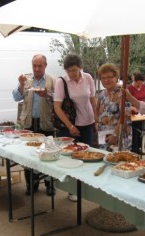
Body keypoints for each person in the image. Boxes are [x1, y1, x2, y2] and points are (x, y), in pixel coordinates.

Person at [53, 53, 97, 201]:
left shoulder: (88, 78)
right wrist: (70, 126)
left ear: (80, 68)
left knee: (88, 156)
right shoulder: (61, 82)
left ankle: (85, 186)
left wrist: (96, 120)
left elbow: (92, 99)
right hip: (70, 125)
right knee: (72, 157)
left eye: (74, 70)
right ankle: (73, 189)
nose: (71, 74)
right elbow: (57, 107)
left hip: (88, 122)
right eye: (68, 71)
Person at [12, 54, 56, 196]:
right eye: (34, 66)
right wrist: (20, 84)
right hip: (29, 123)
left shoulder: (52, 80)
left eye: (40, 66)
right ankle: (32, 184)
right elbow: (16, 97)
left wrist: (48, 95)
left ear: (45, 66)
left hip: (46, 123)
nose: (37, 69)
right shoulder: (26, 79)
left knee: (48, 154)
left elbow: (60, 98)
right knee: (28, 156)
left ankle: (50, 185)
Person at [96, 63, 132, 151]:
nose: (106, 80)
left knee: (118, 162)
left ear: (116, 77)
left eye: (109, 77)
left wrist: (115, 135)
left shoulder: (123, 93)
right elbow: (96, 110)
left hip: (118, 136)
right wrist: (96, 124)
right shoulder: (101, 94)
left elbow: (126, 116)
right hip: (103, 136)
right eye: (103, 78)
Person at [127, 72, 145, 155]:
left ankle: (139, 147)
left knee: (141, 130)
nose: (140, 85)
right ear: (134, 81)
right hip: (133, 113)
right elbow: (127, 101)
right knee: (135, 130)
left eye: (141, 83)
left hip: (142, 113)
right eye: (138, 83)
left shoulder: (144, 87)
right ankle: (134, 148)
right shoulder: (130, 88)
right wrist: (132, 107)